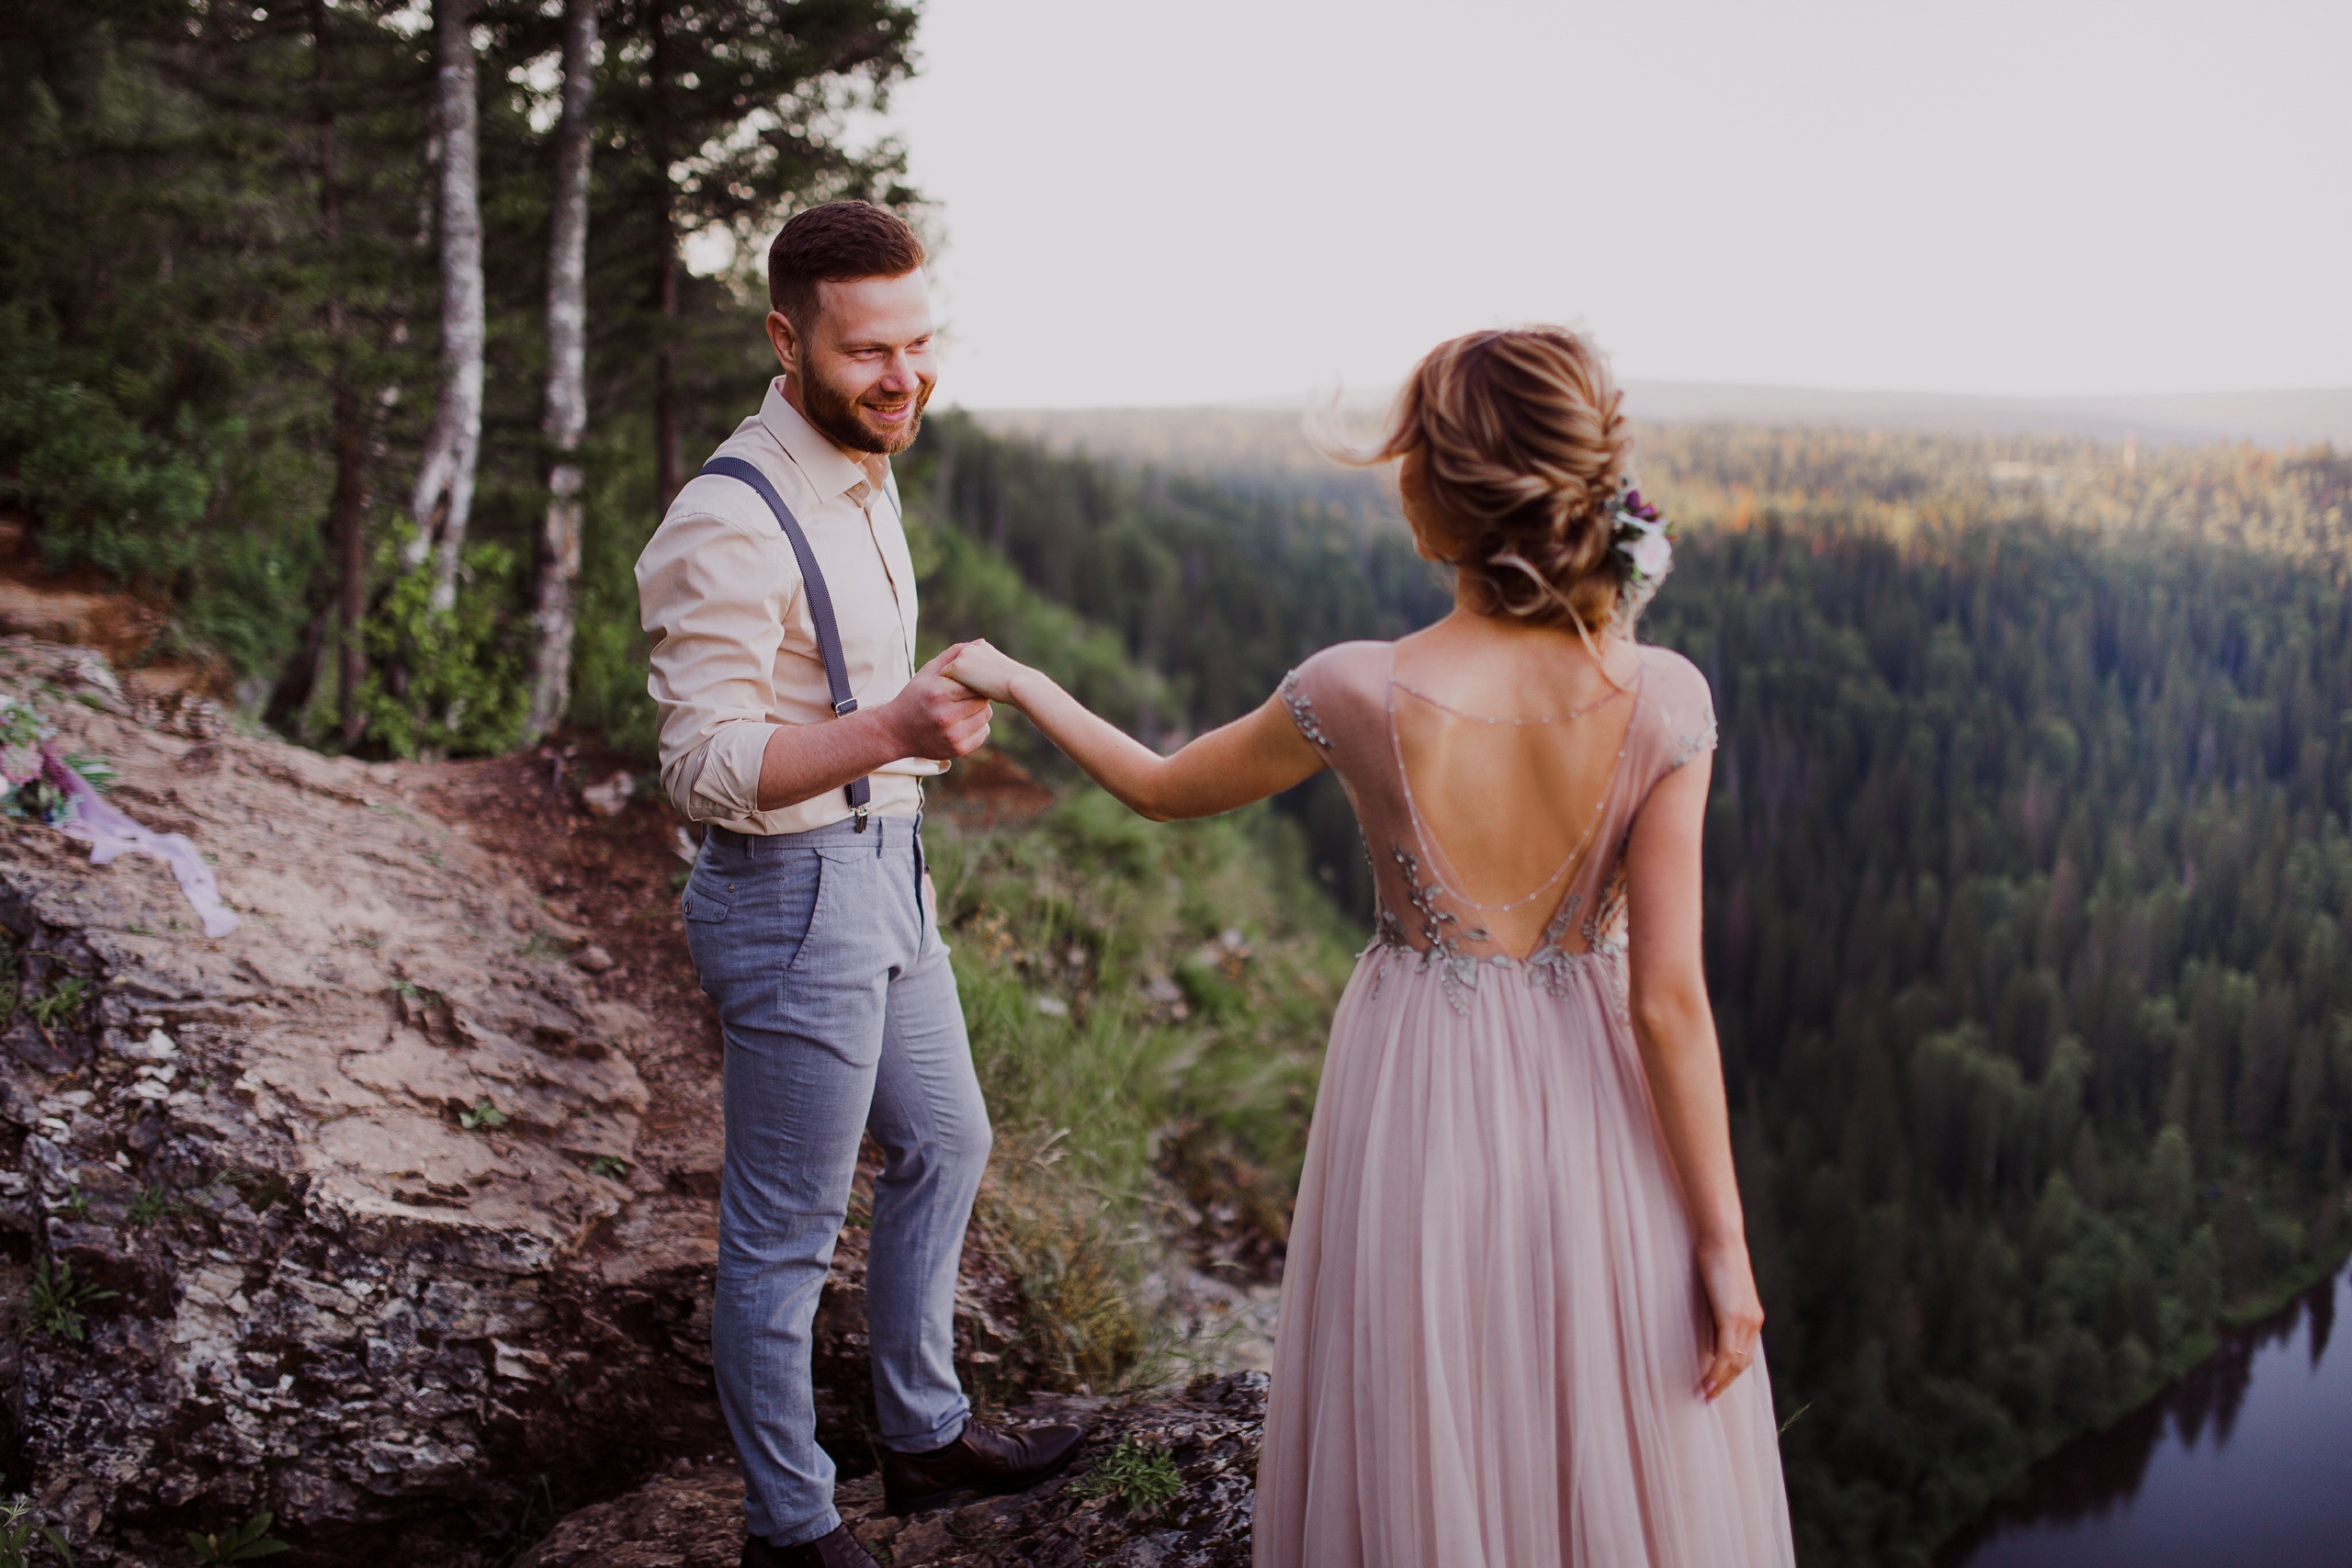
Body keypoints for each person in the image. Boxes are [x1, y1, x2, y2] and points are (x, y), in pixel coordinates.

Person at [941, 327, 1796, 1566]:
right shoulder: (1665, 699)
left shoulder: (1354, 689)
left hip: (1421, 1095)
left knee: (1434, 1394)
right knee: (1596, 1408)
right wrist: (1725, 1249)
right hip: (1598, 1111)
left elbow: (1165, 790)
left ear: (1444, 489)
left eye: (1407, 451)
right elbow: (1669, 1004)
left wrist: (1019, 679)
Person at [636, 200, 1082, 1568]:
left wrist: (911, 704)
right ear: (787, 340)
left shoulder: (865, 465)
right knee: (782, 1240)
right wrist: (890, 729)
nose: (903, 377)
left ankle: (925, 1438)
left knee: (949, 1141)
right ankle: (790, 1525)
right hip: (786, 893)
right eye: (865, 352)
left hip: (889, 867)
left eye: (918, 342)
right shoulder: (728, 517)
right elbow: (701, 765)